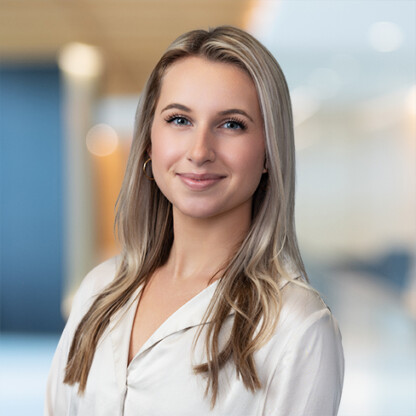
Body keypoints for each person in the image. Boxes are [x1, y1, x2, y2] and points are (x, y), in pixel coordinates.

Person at [45, 26, 344, 415]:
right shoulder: (99, 291)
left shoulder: (297, 326)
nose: (200, 151)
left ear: (269, 152)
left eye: (231, 124)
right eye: (180, 120)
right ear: (149, 142)